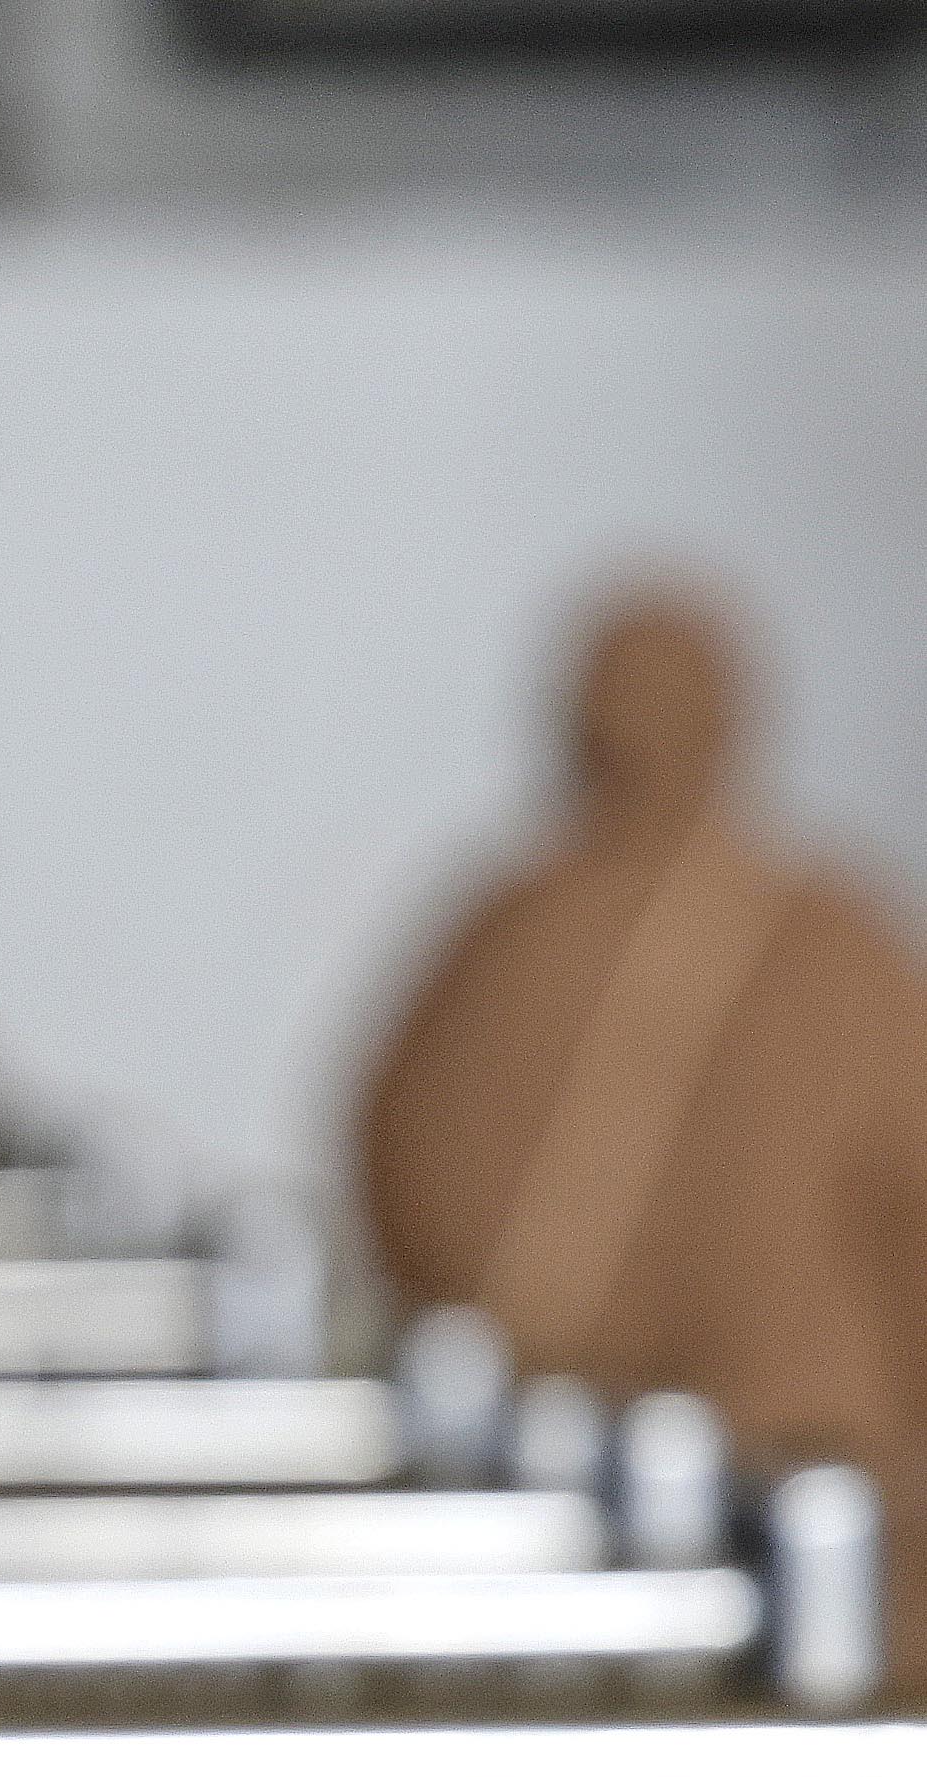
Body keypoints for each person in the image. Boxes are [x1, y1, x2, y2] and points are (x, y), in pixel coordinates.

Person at [359, 586, 927, 1551]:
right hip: (812, 1467)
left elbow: (401, 1166)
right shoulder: (834, 936)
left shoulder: (498, 934)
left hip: (561, 1473)